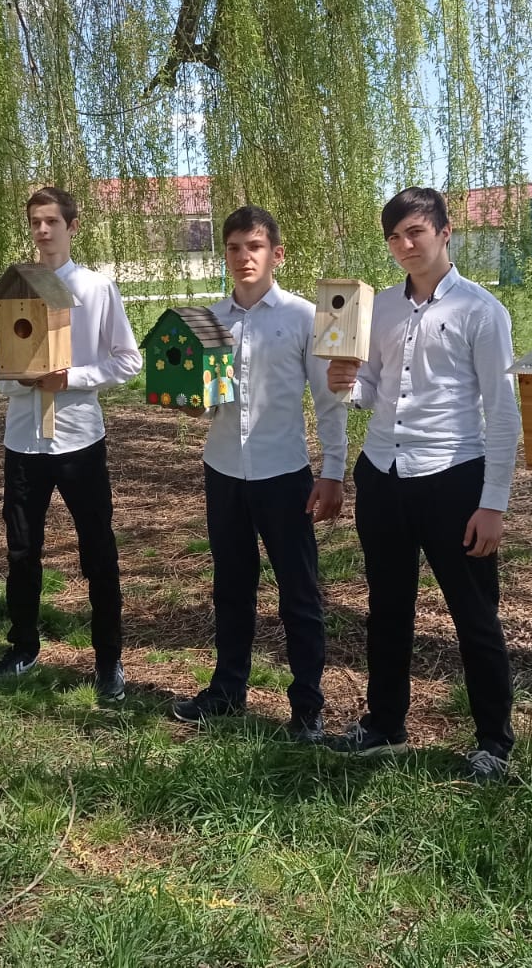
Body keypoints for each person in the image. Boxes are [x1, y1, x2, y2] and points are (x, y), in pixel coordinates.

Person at [326, 187, 520, 780]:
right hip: (383, 474)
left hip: (453, 478)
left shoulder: (481, 311)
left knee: (474, 615)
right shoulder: (380, 308)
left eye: (415, 232)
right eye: (395, 236)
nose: (405, 245)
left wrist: (493, 503)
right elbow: (372, 390)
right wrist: (345, 384)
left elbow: (503, 412)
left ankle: (493, 742)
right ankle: (385, 723)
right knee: (387, 607)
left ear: (445, 231)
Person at [169, 206, 346, 742]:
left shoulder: (303, 316)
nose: (243, 257)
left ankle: (307, 707)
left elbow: (330, 399)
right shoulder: (207, 320)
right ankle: (227, 691)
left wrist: (333, 471)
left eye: (255, 246)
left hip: (283, 474)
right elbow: (203, 398)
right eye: (234, 248)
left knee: (299, 594)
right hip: (223, 470)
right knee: (231, 587)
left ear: (276, 254)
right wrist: (190, 403)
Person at [0, 186, 142, 700]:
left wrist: (69, 377)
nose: (43, 230)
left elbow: (127, 360)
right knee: (22, 550)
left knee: (98, 551)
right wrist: (22, 379)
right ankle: (23, 647)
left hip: (79, 441)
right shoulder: (18, 287)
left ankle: (108, 659)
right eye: (35, 221)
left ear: (72, 227)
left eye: (52, 221)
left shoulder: (96, 288)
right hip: (24, 443)